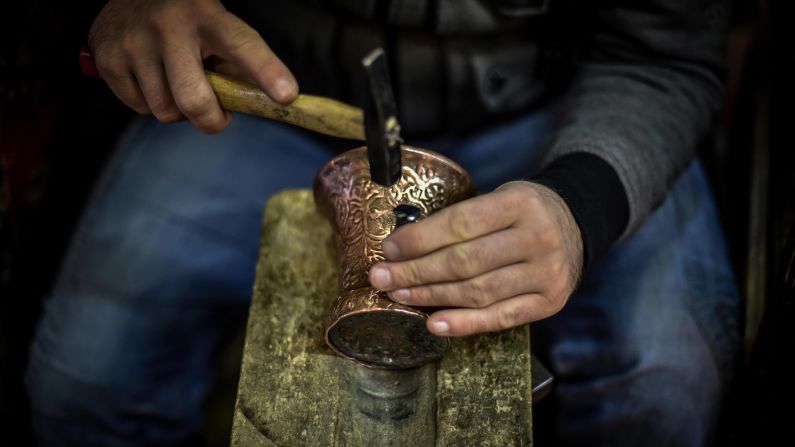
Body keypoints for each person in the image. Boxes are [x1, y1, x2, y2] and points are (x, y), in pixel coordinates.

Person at [25, 0, 740, 445]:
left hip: (562, 115)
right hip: (266, 97)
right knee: (85, 382)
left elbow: (663, 55)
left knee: (663, 387)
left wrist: (579, 205)